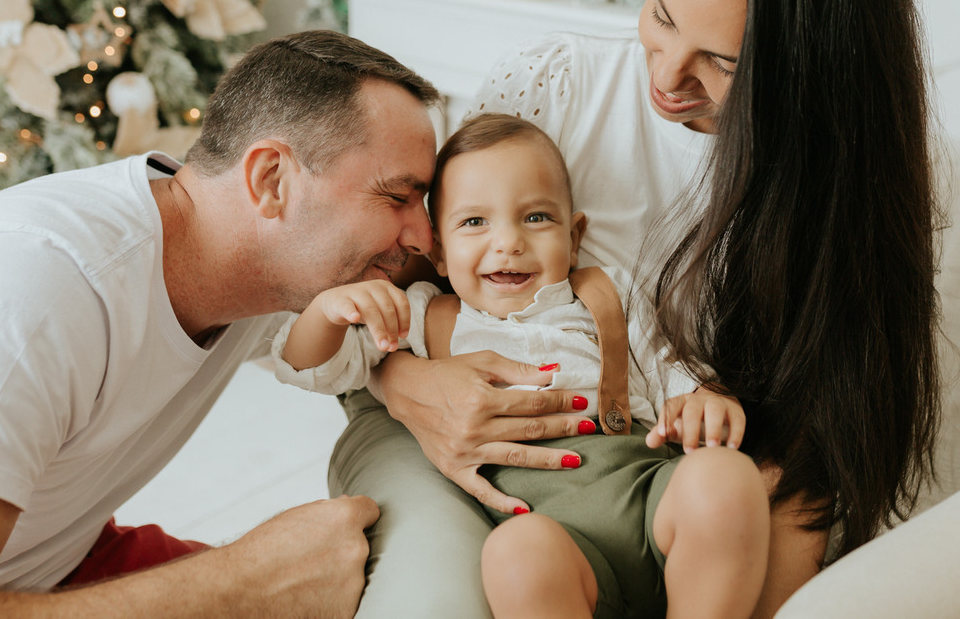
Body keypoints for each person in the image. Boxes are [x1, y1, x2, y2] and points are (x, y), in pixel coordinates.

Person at [331, 0, 941, 618]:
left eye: (721, 62)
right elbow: (382, 291)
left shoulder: (830, 206)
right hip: (465, 459)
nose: (666, 74)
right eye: (660, 15)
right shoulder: (553, 89)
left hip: (661, 499)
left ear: (805, 75)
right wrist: (409, 386)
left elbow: (803, 481)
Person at [0, 30, 442, 618]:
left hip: (52, 556)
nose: (422, 236)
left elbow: (448, 283)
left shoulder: (266, 254)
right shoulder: (28, 301)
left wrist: (408, 379)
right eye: (399, 197)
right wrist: (240, 588)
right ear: (272, 181)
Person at [277, 112, 765, 617]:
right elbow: (312, 370)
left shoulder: (604, 291)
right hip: (559, 544)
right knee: (515, 554)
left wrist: (701, 395)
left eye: (535, 218)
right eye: (474, 222)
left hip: (647, 499)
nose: (508, 242)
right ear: (439, 252)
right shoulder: (425, 318)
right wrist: (327, 311)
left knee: (724, 476)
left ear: (574, 238)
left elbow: (668, 368)